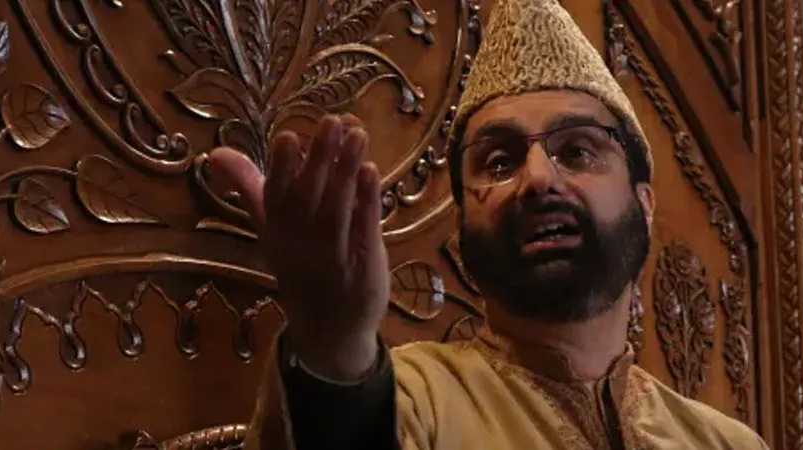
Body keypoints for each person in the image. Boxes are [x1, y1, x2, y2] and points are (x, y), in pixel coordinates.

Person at [208, 0, 767, 448]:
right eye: (499, 162)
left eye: (577, 151)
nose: (539, 179)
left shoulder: (725, 442)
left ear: (644, 206)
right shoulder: (408, 402)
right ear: (461, 229)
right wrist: (332, 342)